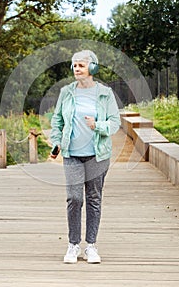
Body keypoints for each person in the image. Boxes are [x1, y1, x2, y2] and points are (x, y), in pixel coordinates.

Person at [50, 49, 121, 264]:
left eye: (81, 65)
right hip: (72, 154)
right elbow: (57, 120)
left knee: (93, 198)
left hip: (97, 156)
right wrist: (56, 142)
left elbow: (115, 123)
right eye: (74, 66)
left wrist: (97, 125)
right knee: (74, 198)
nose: (76, 69)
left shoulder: (105, 93)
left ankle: (91, 246)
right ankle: (73, 245)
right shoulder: (66, 92)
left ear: (92, 68)